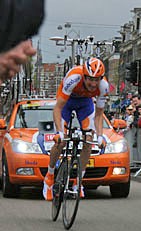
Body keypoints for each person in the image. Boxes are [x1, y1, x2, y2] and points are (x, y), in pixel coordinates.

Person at [42, 57, 109, 201]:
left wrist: (100, 136)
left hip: (85, 104)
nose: (93, 83)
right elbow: (58, 108)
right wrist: (60, 132)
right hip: (67, 102)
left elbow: (98, 115)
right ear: (84, 76)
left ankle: (78, 182)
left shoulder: (103, 86)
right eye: (90, 79)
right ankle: (49, 176)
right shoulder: (73, 78)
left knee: (88, 140)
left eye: (97, 79)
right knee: (61, 141)